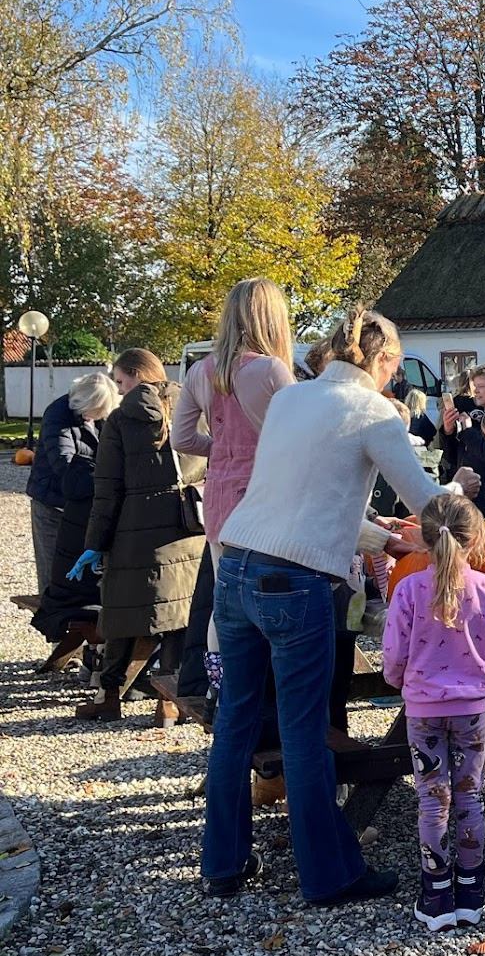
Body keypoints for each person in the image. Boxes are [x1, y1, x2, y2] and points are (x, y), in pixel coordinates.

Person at [202, 306, 478, 907]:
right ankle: (329, 876)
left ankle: (221, 864)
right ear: (385, 362)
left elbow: (304, 497)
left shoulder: (292, 399)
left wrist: (380, 537)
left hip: (239, 563)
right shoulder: (374, 410)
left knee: (235, 723)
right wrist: (462, 490)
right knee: (304, 734)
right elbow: (428, 503)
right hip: (294, 581)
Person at [383, 493, 485, 932]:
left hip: (423, 711)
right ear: (475, 538)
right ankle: (472, 890)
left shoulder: (407, 589)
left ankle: (436, 893)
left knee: (431, 800)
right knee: (470, 797)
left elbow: (393, 654)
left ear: (420, 538)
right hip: (471, 711)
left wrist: (401, 682)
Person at [172, 277, 298, 707]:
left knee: (224, 602)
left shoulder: (201, 370)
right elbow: (304, 432)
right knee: (273, 593)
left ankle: (220, 685)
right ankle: (268, 689)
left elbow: (182, 439)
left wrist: (223, 450)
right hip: (268, 494)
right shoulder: (271, 370)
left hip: (221, 495)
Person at [70, 349, 205, 724]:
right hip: (189, 527)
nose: (119, 388)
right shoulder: (194, 407)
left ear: (135, 376)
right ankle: (168, 701)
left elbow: (107, 489)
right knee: (178, 613)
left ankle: (109, 694)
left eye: (120, 380)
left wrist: (94, 543)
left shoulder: (119, 420)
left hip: (134, 531)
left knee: (122, 613)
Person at [32, 374, 119, 643]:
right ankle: (56, 635)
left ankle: (83, 636)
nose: (97, 417)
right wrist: (106, 481)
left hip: (83, 506)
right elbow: (65, 466)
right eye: (95, 413)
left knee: (85, 571)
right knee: (52, 570)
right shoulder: (57, 414)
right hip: (52, 502)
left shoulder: (104, 415)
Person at [437, 360, 485, 517]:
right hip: (468, 494)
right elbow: (452, 458)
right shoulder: (471, 408)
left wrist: (467, 431)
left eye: (481, 386)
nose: (475, 391)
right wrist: (448, 431)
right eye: (474, 386)